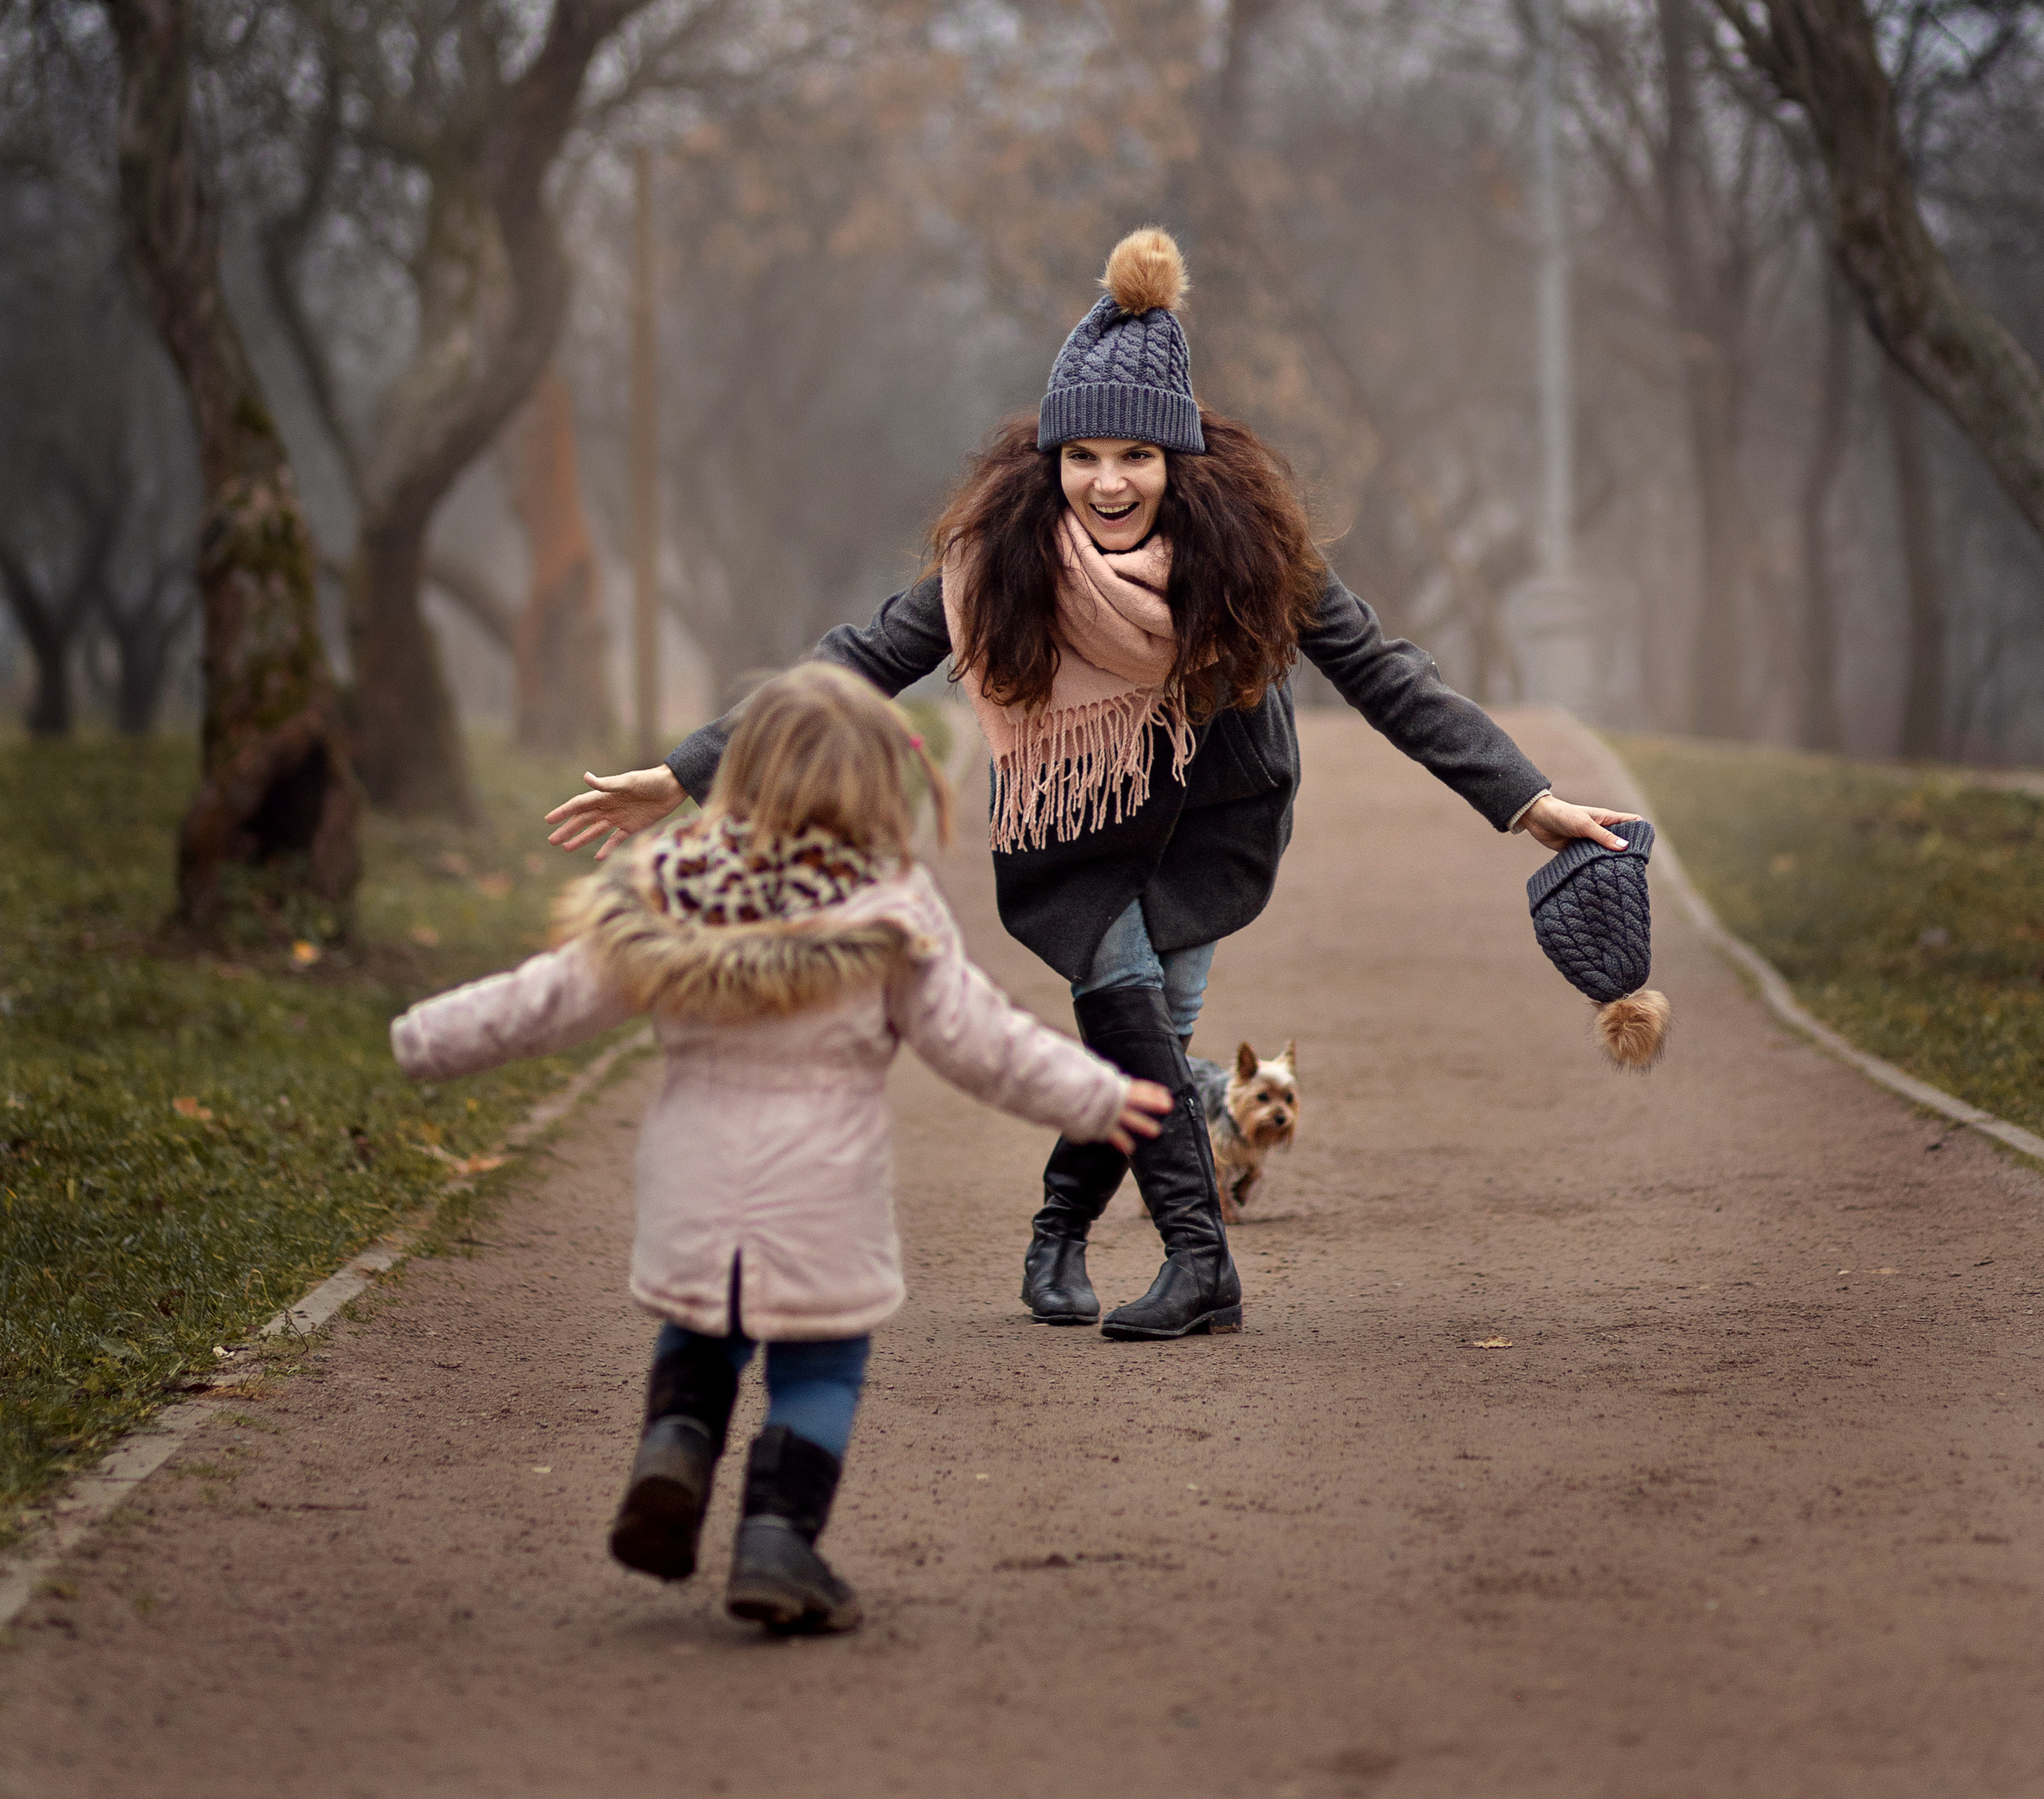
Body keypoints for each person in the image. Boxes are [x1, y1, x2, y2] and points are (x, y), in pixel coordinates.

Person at [548, 229, 1634, 1345]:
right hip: (1068, 826)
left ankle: (1059, 1231)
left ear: (1178, 461)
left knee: (1148, 1038)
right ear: (1049, 461)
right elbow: (855, 661)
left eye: (1134, 457)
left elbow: (1388, 675)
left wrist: (1527, 799)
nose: (1107, 482)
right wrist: (684, 774)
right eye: (1082, 458)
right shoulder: (1000, 561)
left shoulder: (1255, 553)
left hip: (1210, 824)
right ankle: (1201, 1265)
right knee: (1129, 1013)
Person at [393, 661, 1168, 1635]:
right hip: (822, 1198)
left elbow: (546, 997)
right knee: (819, 1364)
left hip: (692, 1190)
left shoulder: (670, 888)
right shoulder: (888, 907)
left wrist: (425, 1034)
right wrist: (1098, 1095)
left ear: (743, 772)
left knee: (701, 1333)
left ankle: (674, 1449)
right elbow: (983, 1041)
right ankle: (776, 1540)